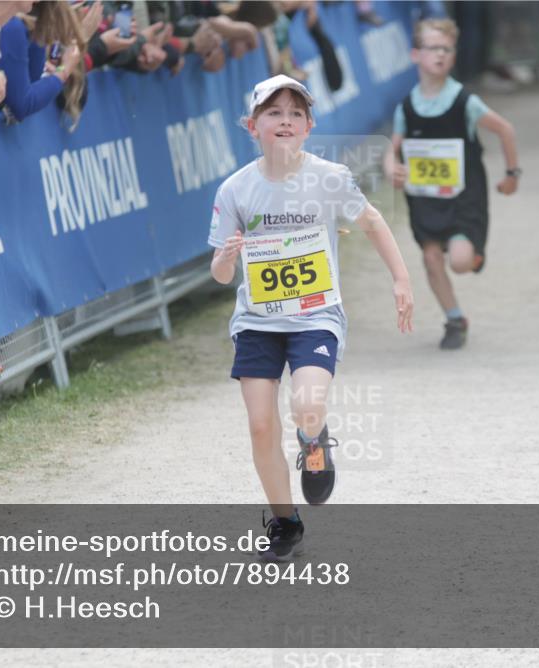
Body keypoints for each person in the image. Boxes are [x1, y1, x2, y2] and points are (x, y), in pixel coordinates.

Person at [208, 75, 413, 561]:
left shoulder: (329, 178)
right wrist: (227, 258)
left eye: (295, 114)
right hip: (257, 321)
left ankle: (314, 441)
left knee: (307, 405)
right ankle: (285, 522)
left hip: (315, 314)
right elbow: (219, 275)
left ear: (309, 125)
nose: (285, 121)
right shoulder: (235, 189)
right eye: (274, 113)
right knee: (260, 426)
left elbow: (372, 221)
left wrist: (401, 279)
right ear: (253, 124)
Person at [384, 19, 520, 350]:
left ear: (454, 56)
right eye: (433, 48)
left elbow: (505, 130)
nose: (440, 55)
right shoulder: (407, 106)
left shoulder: (464, 101)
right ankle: (455, 318)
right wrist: (392, 169)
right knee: (431, 258)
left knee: (459, 261)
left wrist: (512, 174)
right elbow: (392, 149)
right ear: (416, 55)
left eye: (446, 49)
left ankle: (473, 255)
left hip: (464, 195)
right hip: (425, 196)